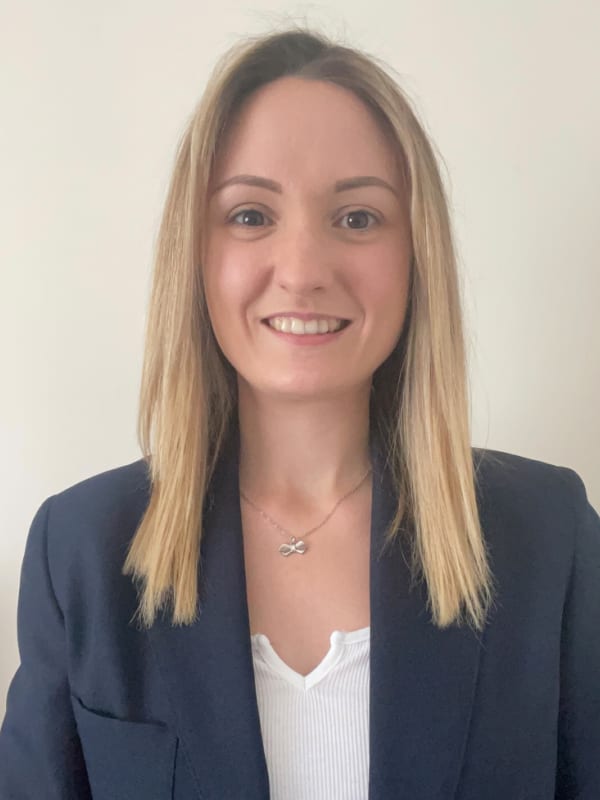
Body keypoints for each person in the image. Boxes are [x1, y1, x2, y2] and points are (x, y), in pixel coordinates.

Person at [1, 26, 598, 800]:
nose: (305, 270)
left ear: (418, 256)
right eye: (250, 215)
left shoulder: (548, 538)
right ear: (197, 255)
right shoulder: (79, 551)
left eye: (357, 218)